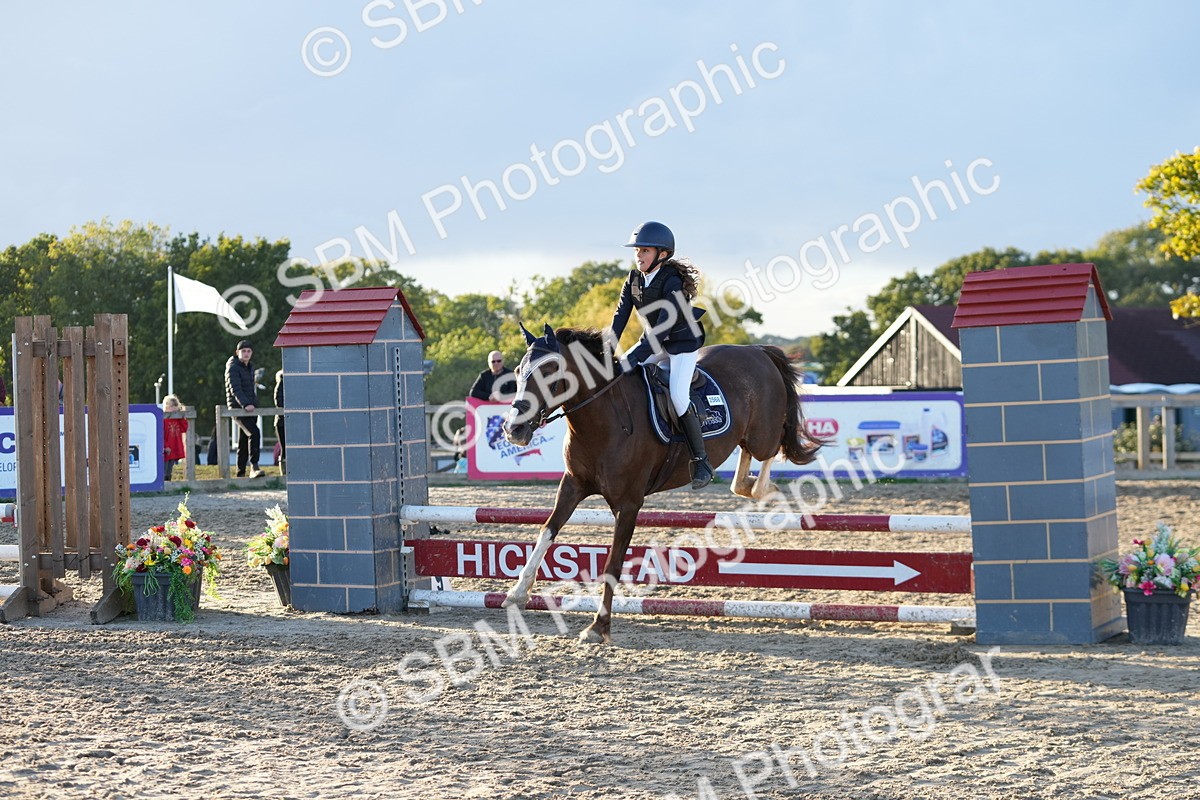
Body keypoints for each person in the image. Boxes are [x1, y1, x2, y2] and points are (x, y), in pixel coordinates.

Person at [609, 221, 713, 489]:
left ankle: (701, 461)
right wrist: (606, 351)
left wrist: (630, 358)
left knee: (678, 397)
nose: (639, 256)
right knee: (620, 378)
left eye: (645, 251)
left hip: (681, 345)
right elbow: (619, 318)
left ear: (662, 254)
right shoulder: (633, 280)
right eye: (637, 251)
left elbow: (661, 330)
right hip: (654, 343)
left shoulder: (672, 282)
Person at [224, 339, 263, 478]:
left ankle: (240, 473)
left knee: (244, 439)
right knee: (254, 433)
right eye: (243, 351)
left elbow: (250, 389)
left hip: (250, 408)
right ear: (237, 352)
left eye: (248, 351)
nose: (246, 353)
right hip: (238, 408)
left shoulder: (250, 367)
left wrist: (254, 403)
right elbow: (235, 389)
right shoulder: (233, 367)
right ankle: (254, 466)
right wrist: (245, 404)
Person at [162, 394, 188, 481]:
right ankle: (164, 483)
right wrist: (165, 446)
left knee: (170, 469)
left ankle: (168, 481)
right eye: (172, 405)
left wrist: (182, 417)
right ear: (167, 406)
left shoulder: (177, 419)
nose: (175, 408)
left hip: (174, 447)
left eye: (176, 405)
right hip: (166, 448)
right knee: (164, 468)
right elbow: (161, 435)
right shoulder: (164, 419)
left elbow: (184, 428)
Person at [273, 369, 286, 475]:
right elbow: (279, 402)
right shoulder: (281, 384)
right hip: (282, 421)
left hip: (283, 421)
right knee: (284, 448)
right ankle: (284, 472)